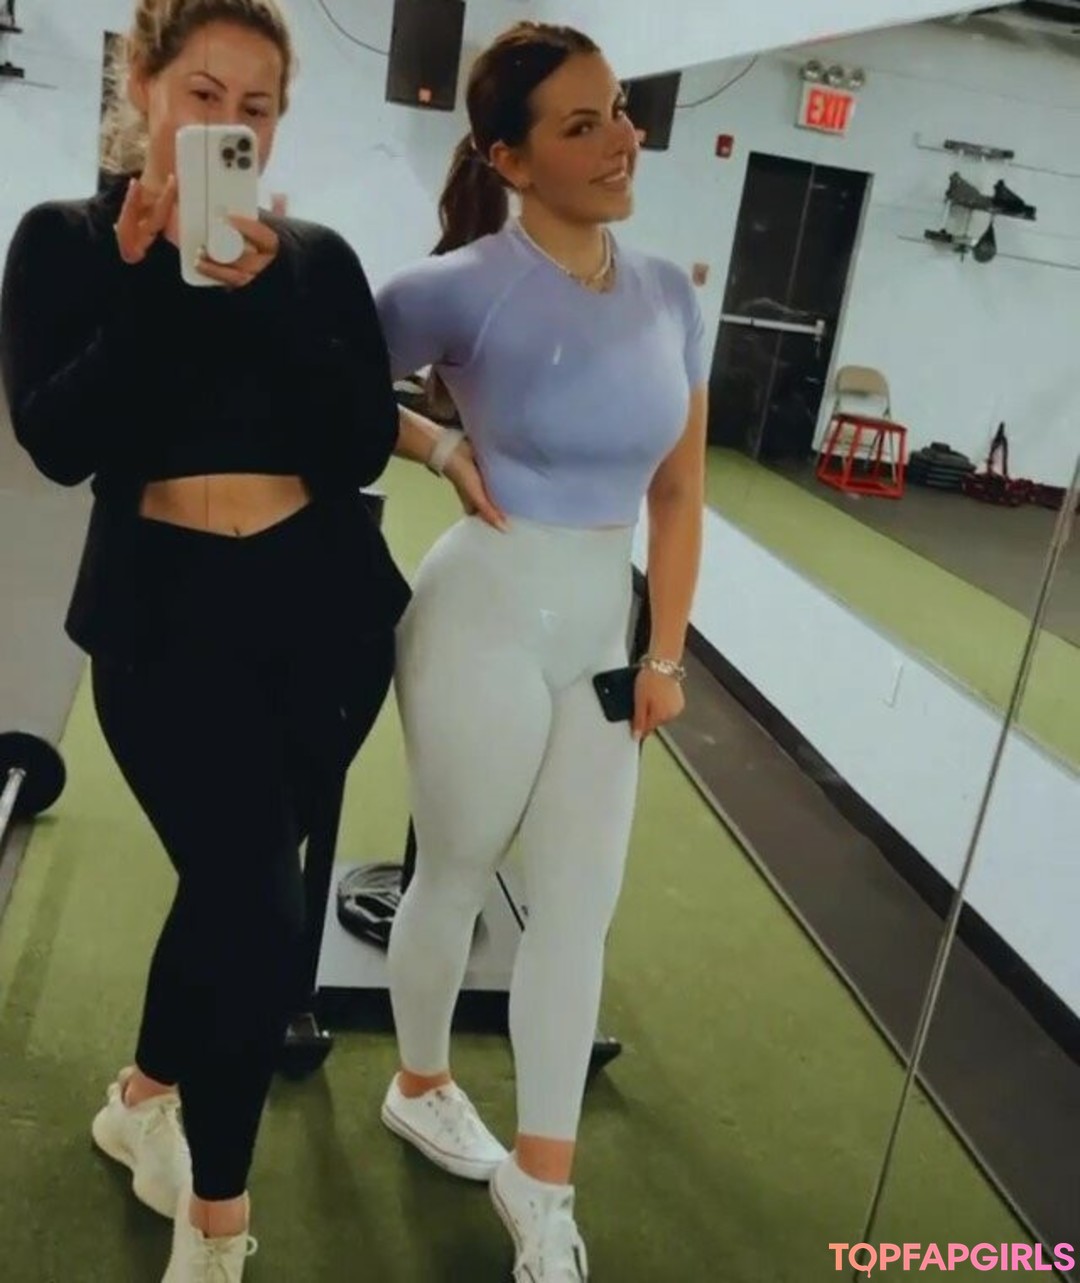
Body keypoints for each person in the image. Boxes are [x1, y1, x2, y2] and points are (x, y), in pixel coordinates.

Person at [0, 2, 496, 1279]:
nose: (230, 124)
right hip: (162, 623)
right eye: (204, 94)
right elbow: (61, 443)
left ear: (281, 122)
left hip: (319, 619)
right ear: (144, 84)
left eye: (257, 107)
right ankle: (217, 1219)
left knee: (235, 890)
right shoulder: (64, 242)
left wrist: (270, 294)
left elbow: (352, 440)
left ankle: (143, 1094)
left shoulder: (315, 261)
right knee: (261, 903)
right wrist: (147, 282)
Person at [374, 21, 708, 1281]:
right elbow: (320, 382)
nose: (623, 139)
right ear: (509, 158)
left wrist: (665, 652)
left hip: (603, 629)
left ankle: (544, 1180)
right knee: (456, 872)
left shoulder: (671, 292)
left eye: (618, 110)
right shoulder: (456, 286)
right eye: (583, 124)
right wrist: (438, 446)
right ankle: (418, 1082)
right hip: (482, 612)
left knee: (579, 909)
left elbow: (680, 491)